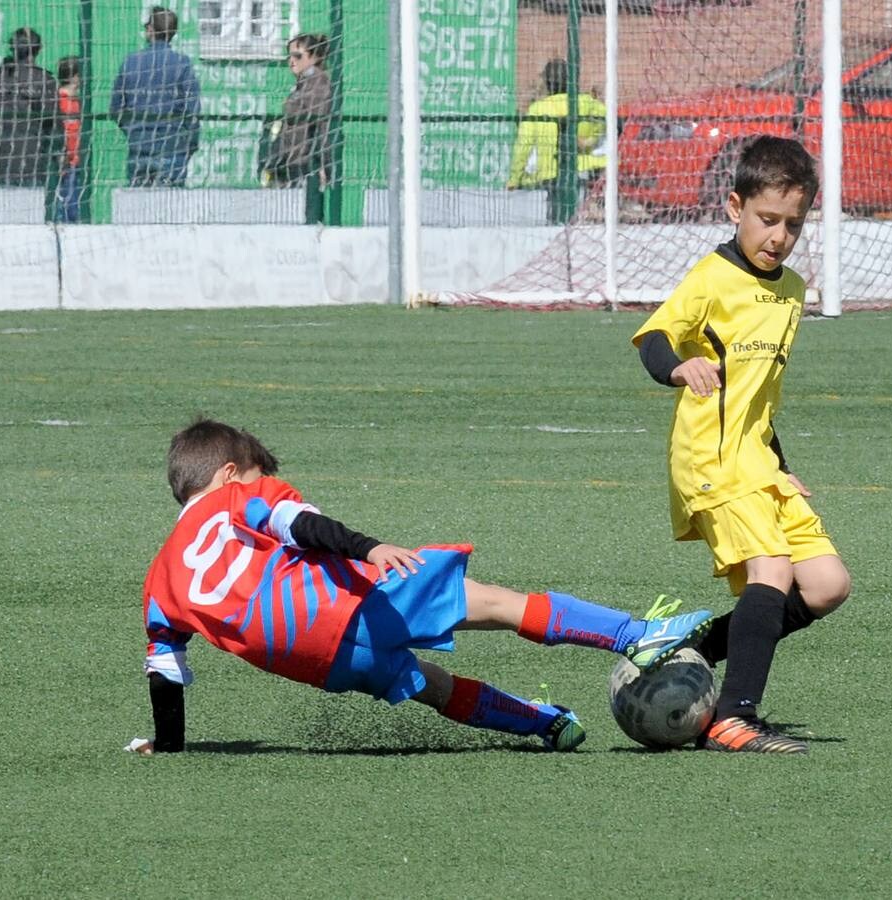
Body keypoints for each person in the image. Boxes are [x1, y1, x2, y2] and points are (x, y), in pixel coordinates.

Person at [127, 419, 713, 754]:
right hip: (343, 606)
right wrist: (368, 548)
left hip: (316, 664)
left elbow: (166, 671)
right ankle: (637, 636)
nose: (270, 482)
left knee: (434, 686)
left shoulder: (159, 581)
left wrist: (169, 745)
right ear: (229, 475)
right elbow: (298, 525)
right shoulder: (238, 499)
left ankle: (545, 723)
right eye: (263, 474)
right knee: (493, 603)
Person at [631, 136, 852, 755]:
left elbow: (759, 394)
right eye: (766, 219)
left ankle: (688, 652)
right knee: (773, 572)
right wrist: (678, 369)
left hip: (759, 462)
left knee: (827, 584)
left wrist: (782, 466)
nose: (778, 236)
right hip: (711, 458)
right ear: (735, 207)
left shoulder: (792, 291)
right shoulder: (711, 277)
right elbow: (653, 339)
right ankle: (734, 715)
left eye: (793, 224)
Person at [109, 6, 200, 188]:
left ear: (150, 29)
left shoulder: (131, 62)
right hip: (172, 145)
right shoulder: (182, 64)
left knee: (136, 208)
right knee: (170, 208)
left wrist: (132, 129)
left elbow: (116, 108)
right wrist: (189, 143)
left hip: (139, 144)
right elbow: (192, 111)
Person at [506, 58, 606, 215]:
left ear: (547, 83)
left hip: (551, 174)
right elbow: (607, 122)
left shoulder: (537, 109)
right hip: (586, 169)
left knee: (558, 219)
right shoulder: (588, 103)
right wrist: (590, 141)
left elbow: (522, 147)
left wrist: (514, 178)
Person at [0, 28, 60, 188]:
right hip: (29, 161)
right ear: (38, 49)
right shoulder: (44, 80)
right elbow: (53, 125)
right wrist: (58, 156)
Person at [259, 33, 333, 187]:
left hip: (304, 164)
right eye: (289, 56)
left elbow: (321, 126)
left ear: (314, 57)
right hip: (291, 161)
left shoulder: (318, 84)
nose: (292, 61)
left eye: (298, 56)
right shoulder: (303, 83)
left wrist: (322, 165)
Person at [54, 56, 82, 222]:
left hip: (75, 162)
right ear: (75, 77)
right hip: (64, 163)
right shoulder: (59, 101)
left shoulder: (78, 102)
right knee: (66, 208)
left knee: (73, 207)